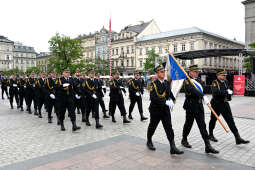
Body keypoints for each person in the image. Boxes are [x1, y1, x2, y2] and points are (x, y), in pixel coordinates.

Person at [146, 63, 183, 155]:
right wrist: (165, 102)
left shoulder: (166, 82)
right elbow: (153, 97)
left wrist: (173, 99)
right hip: (155, 109)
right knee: (152, 126)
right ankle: (149, 140)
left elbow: (169, 93)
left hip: (165, 110)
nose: (163, 73)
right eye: (161, 72)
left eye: (164, 72)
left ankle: (172, 146)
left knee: (169, 128)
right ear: (157, 73)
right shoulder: (152, 84)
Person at [181, 65, 219, 154]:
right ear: (190, 72)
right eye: (195, 71)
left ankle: (207, 146)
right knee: (188, 124)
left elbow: (204, 89)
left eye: (197, 72)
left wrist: (206, 96)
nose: (197, 73)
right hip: (191, 106)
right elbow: (192, 90)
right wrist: (202, 96)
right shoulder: (187, 81)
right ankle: (184, 139)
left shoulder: (199, 80)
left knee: (202, 126)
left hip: (199, 106)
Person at [209, 69, 250, 145]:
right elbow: (216, 92)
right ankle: (210, 134)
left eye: (225, 75)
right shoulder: (215, 82)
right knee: (213, 120)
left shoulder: (226, 82)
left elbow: (228, 90)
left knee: (231, 121)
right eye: (223, 75)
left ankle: (238, 138)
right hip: (216, 104)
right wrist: (226, 92)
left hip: (225, 104)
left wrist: (229, 96)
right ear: (218, 75)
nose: (224, 76)